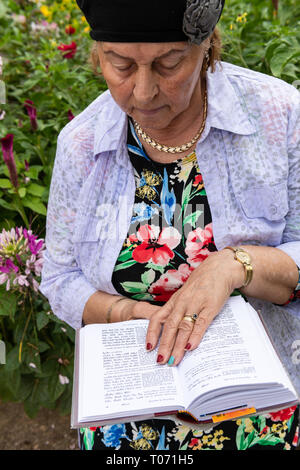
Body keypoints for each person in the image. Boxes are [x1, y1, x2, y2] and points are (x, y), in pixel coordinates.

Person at [40, 0, 300, 450]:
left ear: (206, 49)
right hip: (128, 424)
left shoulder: (279, 116)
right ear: (98, 53)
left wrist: (236, 265)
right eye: (120, 64)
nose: (142, 92)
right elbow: (60, 279)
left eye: (169, 63)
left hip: (260, 418)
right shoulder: (82, 143)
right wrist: (132, 314)